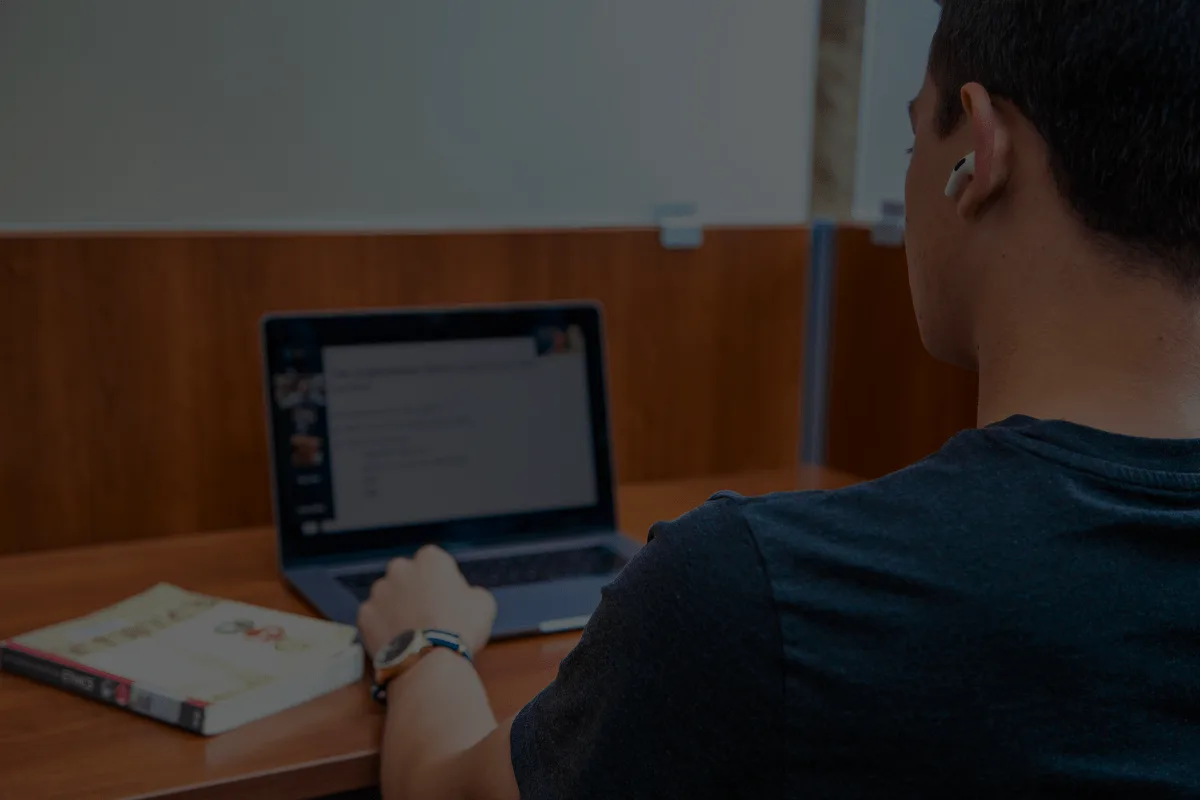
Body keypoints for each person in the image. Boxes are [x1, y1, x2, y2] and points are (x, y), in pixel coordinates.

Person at [356, 1, 1200, 797]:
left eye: (913, 143)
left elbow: (446, 788)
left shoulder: (753, 595)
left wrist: (422, 640)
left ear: (978, 154)